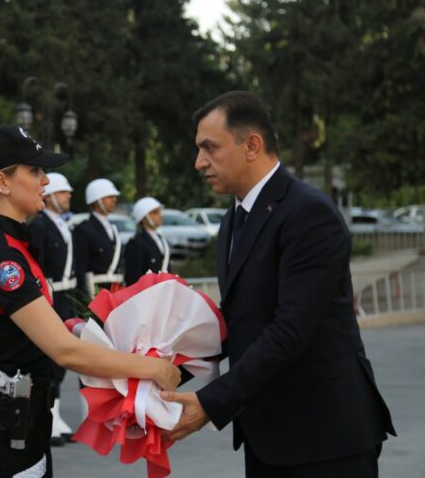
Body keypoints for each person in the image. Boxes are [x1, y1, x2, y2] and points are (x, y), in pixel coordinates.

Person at [161, 91, 395, 477]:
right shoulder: (233, 219)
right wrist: (156, 366)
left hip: (325, 436)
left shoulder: (308, 213)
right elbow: (241, 321)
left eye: (209, 148)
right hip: (268, 437)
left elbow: (289, 331)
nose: (199, 161)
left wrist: (210, 403)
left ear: (251, 145)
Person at [0, 126, 180, 477]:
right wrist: (154, 369)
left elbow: (27, 330)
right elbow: (64, 352)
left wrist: (81, 327)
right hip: (3, 428)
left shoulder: (6, 242)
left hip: (18, 422)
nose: (46, 181)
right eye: (35, 170)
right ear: (2, 182)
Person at [28, 172, 76, 446]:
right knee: (49, 360)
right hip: (51, 297)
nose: (68, 196)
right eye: (64, 192)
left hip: (65, 296)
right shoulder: (40, 226)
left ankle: (54, 414)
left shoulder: (60, 224)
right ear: (50, 196)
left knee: (59, 365)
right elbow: (39, 267)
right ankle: (48, 416)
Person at [72, 178, 123, 298]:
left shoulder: (112, 228)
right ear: (97, 200)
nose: (114, 200)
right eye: (109, 196)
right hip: (95, 293)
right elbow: (81, 269)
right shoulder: (83, 229)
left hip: (116, 292)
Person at [124, 197, 171, 285]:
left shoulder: (161, 239)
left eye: (159, 212)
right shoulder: (136, 243)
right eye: (155, 213)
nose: (160, 215)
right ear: (143, 218)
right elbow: (133, 279)